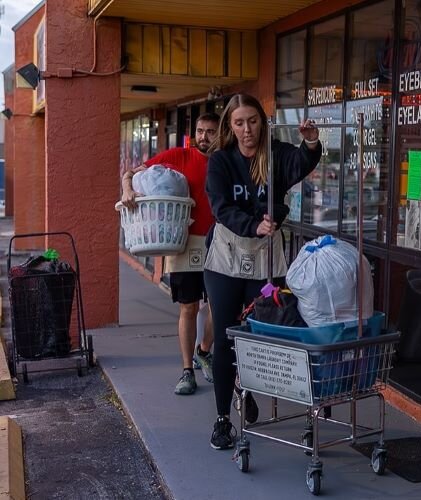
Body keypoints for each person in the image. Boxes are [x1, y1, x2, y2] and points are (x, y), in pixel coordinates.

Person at [203, 94, 321, 450]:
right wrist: (253, 225)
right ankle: (223, 418)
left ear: (262, 121)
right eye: (238, 123)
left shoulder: (277, 154)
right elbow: (221, 207)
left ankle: (247, 385)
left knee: (259, 335)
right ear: (230, 126)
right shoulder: (221, 160)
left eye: (252, 121)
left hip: (267, 259)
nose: (246, 130)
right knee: (226, 337)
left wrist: (311, 141)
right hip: (226, 256)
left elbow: (301, 162)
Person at [120, 112, 219, 396]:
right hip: (184, 241)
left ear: (220, 134)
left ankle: (204, 351)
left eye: (210, 131)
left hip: (220, 242)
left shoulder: (227, 160)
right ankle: (187, 371)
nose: (204, 137)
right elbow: (131, 173)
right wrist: (128, 189)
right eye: (200, 131)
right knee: (188, 306)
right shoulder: (179, 156)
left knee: (219, 305)